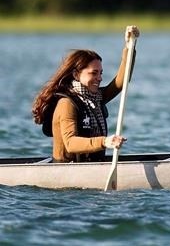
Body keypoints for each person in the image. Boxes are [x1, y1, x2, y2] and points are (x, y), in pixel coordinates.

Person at [31, 26, 140, 163]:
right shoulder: (66, 104)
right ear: (76, 74)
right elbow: (70, 143)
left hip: (92, 165)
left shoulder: (95, 97)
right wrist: (105, 142)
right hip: (67, 170)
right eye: (93, 73)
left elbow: (121, 81)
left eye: (100, 73)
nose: (99, 78)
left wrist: (130, 46)